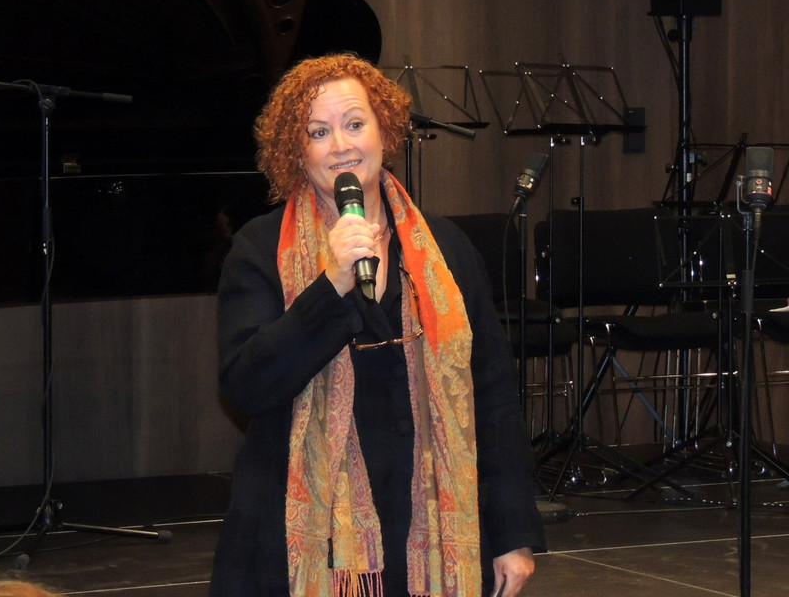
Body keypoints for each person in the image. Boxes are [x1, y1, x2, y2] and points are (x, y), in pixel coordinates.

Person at [209, 53, 545, 597]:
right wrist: (330, 286)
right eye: (319, 132)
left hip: (433, 533)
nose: (341, 145)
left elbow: (494, 396)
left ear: (384, 132)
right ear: (296, 150)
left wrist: (513, 532)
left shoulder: (447, 247)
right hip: (299, 540)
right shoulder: (260, 247)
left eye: (354, 123)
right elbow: (247, 385)